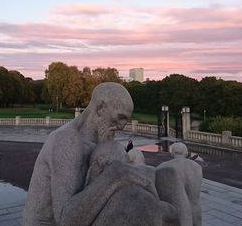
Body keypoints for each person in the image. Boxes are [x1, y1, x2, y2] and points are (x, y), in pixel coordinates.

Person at [24, 83, 154, 226]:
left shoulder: (100, 139)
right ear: (100, 108)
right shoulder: (67, 140)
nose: (122, 125)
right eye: (120, 117)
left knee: (161, 181)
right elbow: (66, 220)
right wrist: (117, 174)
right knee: (141, 202)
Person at [156, 142, 203, 226]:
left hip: (177, 211)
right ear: (186, 153)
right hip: (195, 210)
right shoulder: (197, 166)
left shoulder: (163, 166)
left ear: (172, 153)